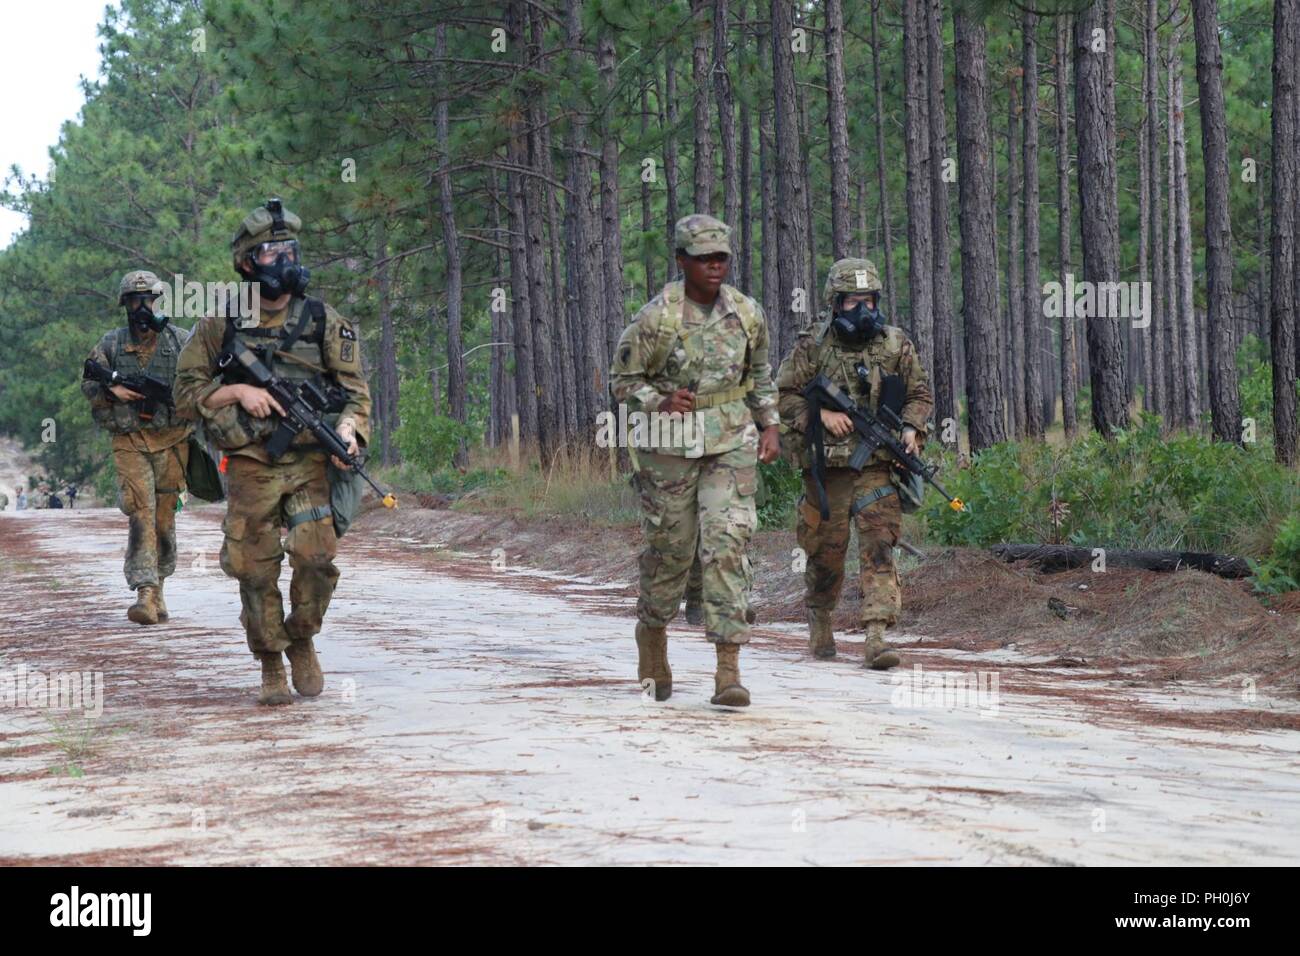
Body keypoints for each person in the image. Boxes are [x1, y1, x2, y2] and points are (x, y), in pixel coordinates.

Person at [175, 198, 372, 707]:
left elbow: (355, 392)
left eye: (290, 250)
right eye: (270, 253)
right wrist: (236, 393)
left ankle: (302, 636)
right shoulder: (220, 323)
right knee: (253, 567)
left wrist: (349, 431)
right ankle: (269, 659)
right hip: (250, 462)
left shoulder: (324, 319)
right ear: (246, 263)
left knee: (316, 557)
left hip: (309, 462)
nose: (284, 261)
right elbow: (184, 394)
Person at [610, 213, 780, 707]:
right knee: (673, 551)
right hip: (668, 448)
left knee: (727, 544)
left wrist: (770, 424)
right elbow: (622, 382)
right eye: (703, 258)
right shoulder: (655, 318)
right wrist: (656, 400)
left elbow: (761, 375)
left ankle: (728, 670)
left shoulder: (747, 312)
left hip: (730, 440)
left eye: (721, 257)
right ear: (682, 260)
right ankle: (653, 638)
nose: (714, 266)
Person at [775, 258, 933, 669]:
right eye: (851, 302)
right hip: (826, 472)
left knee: (879, 545)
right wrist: (820, 416)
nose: (861, 310)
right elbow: (784, 397)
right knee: (826, 553)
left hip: (877, 467)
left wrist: (912, 429)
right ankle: (821, 617)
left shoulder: (895, 344)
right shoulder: (812, 345)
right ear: (835, 303)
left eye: (867, 300)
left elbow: (920, 394)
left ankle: (877, 635)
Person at [82, 270, 193, 624]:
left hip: (172, 442)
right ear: (125, 304)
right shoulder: (112, 344)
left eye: (148, 300)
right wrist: (110, 390)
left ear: (158, 301)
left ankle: (159, 585)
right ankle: (144, 591)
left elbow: (202, 383)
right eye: (134, 300)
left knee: (163, 518)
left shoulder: (179, 341)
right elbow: (88, 381)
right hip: (129, 440)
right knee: (140, 512)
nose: (142, 306)